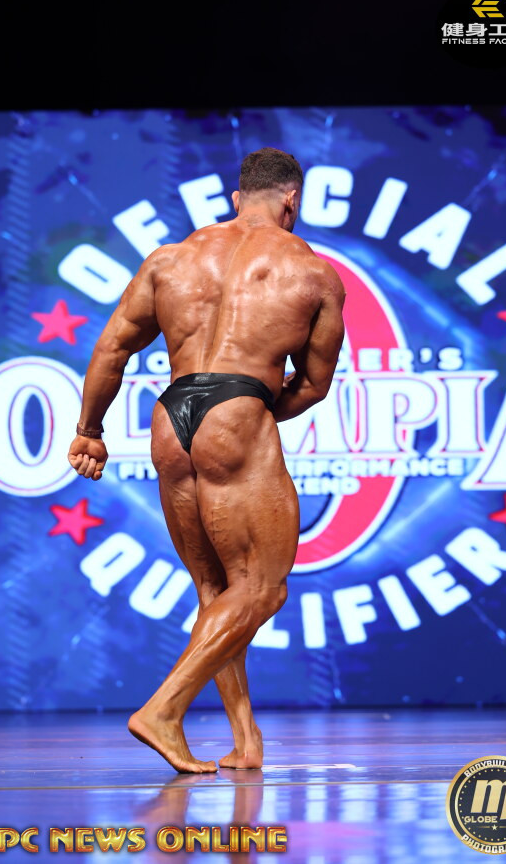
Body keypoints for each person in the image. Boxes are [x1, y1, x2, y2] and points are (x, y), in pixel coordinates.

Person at [67, 147, 346, 773]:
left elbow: (112, 348)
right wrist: (248, 416)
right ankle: (163, 711)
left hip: (170, 417)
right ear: (292, 202)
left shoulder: (171, 259)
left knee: (217, 589)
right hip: (238, 406)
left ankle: (245, 741)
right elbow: (313, 384)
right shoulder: (314, 274)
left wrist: (90, 431)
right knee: (262, 589)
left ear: (236, 198)